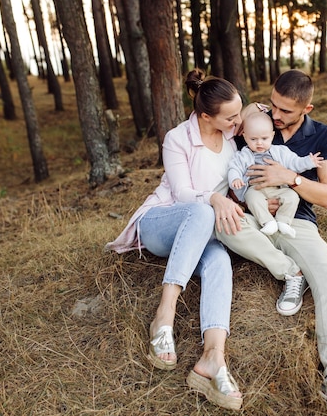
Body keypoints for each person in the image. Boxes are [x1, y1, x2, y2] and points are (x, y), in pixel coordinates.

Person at [216, 69, 327, 416]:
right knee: (223, 225)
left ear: (307, 109)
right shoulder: (256, 123)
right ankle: (289, 272)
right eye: (272, 105)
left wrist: (291, 178)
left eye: (285, 111)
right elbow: (233, 172)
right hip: (255, 214)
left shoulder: (323, 137)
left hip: (296, 220)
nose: (276, 116)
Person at [105, 68, 246, 411]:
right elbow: (182, 193)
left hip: (204, 228)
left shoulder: (230, 135)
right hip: (163, 223)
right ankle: (164, 315)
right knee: (200, 212)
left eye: (239, 112)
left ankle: (213, 359)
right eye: (231, 117)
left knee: (220, 261)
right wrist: (214, 199)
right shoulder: (177, 138)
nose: (237, 121)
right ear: (205, 116)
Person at [228, 110, 323, 238]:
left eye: (264, 138)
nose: (259, 143)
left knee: (292, 196)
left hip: (277, 189)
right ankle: (268, 222)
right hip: (255, 189)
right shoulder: (243, 155)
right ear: (245, 137)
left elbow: (294, 162)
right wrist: (235, 178)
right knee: (251, 198)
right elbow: (234, 168)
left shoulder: (280, 152)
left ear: (272, 136)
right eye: (253, 139)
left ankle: (283, 221)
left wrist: (308, 161)